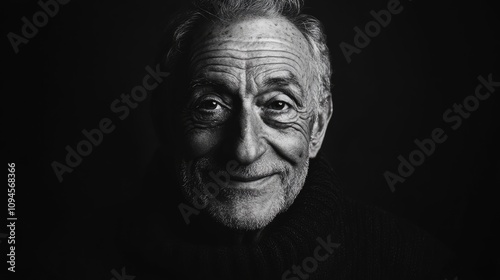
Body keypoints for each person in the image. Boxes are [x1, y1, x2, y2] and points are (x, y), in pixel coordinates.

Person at [46, 0, 452, 279]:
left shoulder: (408, 263)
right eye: (210, 106)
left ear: (319, 125)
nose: (244, 149)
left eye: (277, 105)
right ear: (165, 121)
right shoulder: (64, 265)